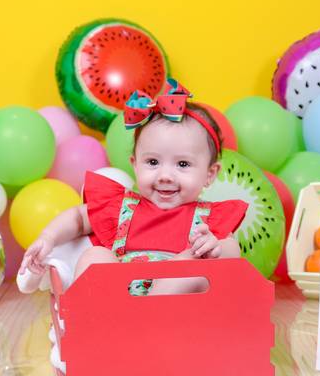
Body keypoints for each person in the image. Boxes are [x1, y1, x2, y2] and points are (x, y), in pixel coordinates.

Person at [18, 80, 247, 295]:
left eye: (183, 164)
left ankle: (153, 314)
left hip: (176, 309)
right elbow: (79, 218)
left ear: (209, 174)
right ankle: (97, 316)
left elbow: (232, 249)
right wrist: (48, 238)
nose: (165, 176)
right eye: (153, 162)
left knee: (191, 263)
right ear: (135, 165)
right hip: (121, 300)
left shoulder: (208, 220)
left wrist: (215, 249)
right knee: (95, 255)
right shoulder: (123, 207)